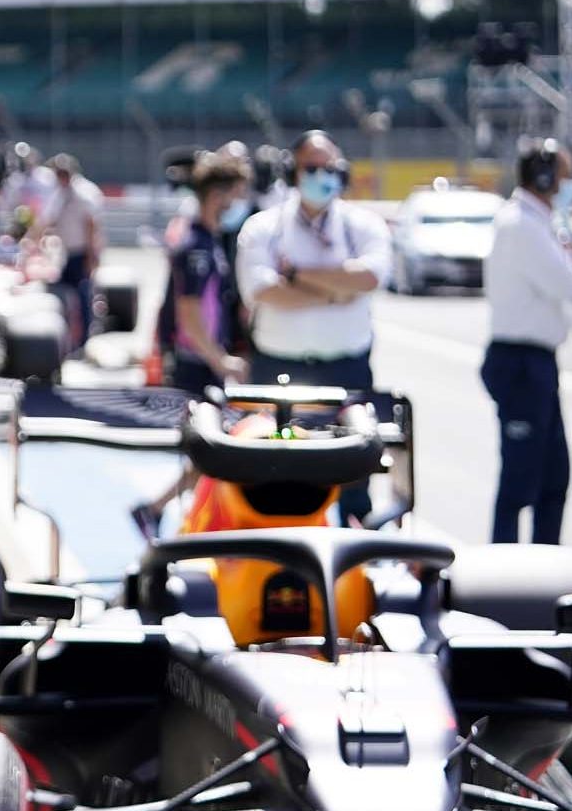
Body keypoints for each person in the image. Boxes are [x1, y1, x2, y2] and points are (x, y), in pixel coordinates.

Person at [234, 130, 390, 526]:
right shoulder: (263, 228)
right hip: (277, 369)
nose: (322, 176)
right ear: (293, 172)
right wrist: (335, 291)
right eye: (312, 168)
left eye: (330, 168)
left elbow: (369, 278)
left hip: (347, 369)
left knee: (354, 473)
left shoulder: (362, 225)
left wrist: (298, 276)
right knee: (272, 472)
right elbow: (263, 291)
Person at [482, 139, 572, 544]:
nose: (569, 184)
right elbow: (566, 283)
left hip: (538, 363)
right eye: (565, 175)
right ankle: (503, 572)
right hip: (519, 364)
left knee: (554, 476)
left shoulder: (541, 223)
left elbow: (557, 296)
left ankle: (546, 565)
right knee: (520, 479)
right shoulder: (520, 224)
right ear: (546, 177)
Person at [131, 151, 254, 540]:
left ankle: (170, 514)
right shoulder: (195, 244)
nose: (238, 202)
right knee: (210, 449)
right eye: (234, 193)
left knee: (212, 452)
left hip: (201, 358)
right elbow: (189, 314)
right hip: (194, 361)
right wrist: (220, 361)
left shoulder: (206, 238)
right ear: (218, 194)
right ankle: (164, 512)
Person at [32, 153, 103, 350]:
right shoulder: (61, 192)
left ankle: (84, 339)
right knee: (63, 293)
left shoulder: (84, 193)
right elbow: (49, 219)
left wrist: (92, 256)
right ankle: (70, 337)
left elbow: (92, 227)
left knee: (82, 295)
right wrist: (34, 238)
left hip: (82, 252)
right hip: (67, 252)